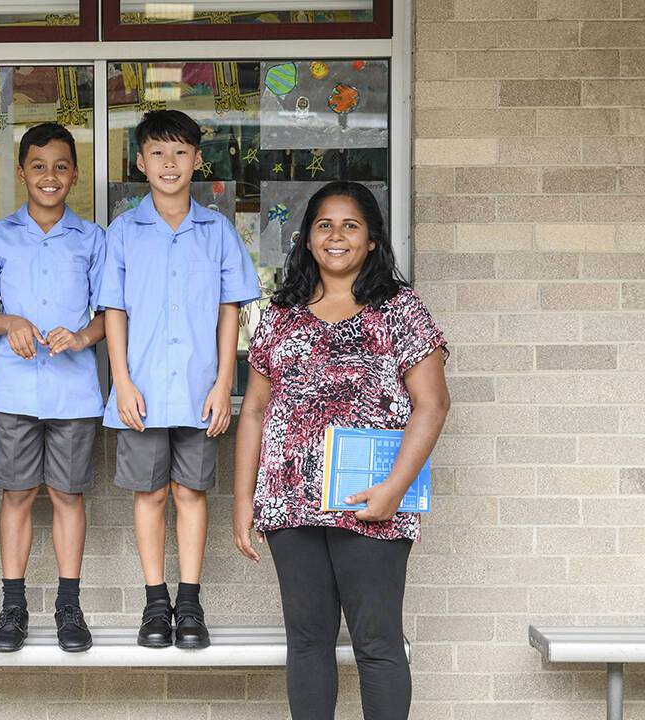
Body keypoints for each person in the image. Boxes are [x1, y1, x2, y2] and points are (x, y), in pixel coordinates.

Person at [233, 181, 450, 719]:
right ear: (307, 239)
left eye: (350, 225)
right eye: (324, 225)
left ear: (372, 239)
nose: (336, 236)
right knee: (307, 642)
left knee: (377, 643)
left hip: (371, 498)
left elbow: (433, 404)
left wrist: (393, 492)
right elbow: (255, 411)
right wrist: (243, 501)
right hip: (290, 501)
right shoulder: (280, 314)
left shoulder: (400, 310)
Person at [99, 109, 259, 650]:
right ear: (140, 162)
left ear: (197, 160)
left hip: (197, 391)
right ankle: (154, 603)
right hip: (140, 391)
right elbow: (113, 312)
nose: (170, 163)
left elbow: (228, 311)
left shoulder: (217, 231)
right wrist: (121, 380)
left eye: (181, 152)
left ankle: (189, 604)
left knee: (191, 492)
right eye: (158, 153)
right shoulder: (122, 233)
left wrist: (222, 384)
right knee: (149, 495)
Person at [0, 123, 105, 653]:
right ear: (22, 173)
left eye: (61, 166)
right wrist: (12, 324)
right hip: (17, 392)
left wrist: (83, 334)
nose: (50, 176)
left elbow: (109, 316)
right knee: (19, 494)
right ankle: (13, 607)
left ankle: (69, 607)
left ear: (74, 175)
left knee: (67, 495)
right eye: (39, 166)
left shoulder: (92, 239)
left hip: (74, 393)